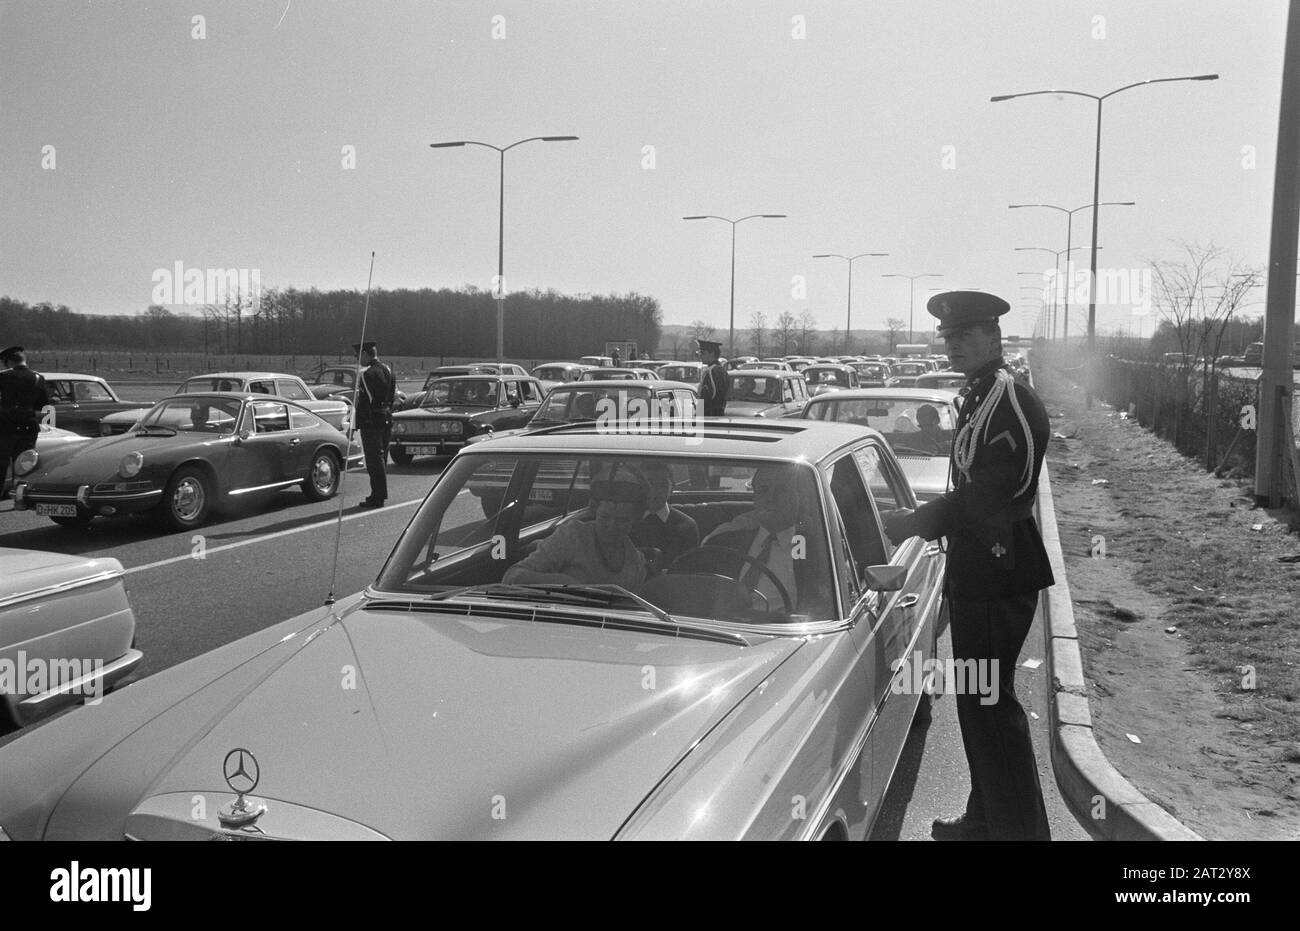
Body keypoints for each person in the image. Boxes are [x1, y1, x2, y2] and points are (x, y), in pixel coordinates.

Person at [882, 291, 1054, 842]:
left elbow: (990, 495)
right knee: (980, 703)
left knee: (989, 703)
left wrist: (914, 521)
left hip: (999, 570)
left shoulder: (1007, 398)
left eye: (964, 336)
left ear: (993, 337)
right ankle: (987, 820)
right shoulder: (982, 394)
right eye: (948, 337)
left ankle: (1018, 833)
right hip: (982, 568)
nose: (953, 344)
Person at [700, 464, 826, 615]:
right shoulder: (727, 541)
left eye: (781, 490)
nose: (771, 498)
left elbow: (822, 607)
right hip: (722, 629)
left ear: (799, 497)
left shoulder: (814, 548)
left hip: (784, 633)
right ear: (755, 497)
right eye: (763, 490)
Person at [504, 466, 649, 588]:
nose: (611, 526)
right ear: (594, 511)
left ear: (634, 520)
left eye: (622, 520)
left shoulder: (635, 563)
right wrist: (563, 583)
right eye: (605, 517)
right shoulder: (572, 536)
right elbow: (513, 576)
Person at [631, 460, 699, 570]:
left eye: (663, 484)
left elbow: (689, 571)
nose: (656, 491)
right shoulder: (625, 520)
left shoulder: (686, 526)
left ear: (672, 487)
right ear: (639, 486)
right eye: (650, 483)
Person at [0, 346, 51, 494]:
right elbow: (42, 404)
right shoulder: (38, 378)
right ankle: (20, 494)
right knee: (24, 463)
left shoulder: (5, 377)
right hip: (28, 425)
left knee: (2, 463)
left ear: (8, 361)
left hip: (6, 425)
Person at [353, 341, 396, 509]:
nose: (358, 359)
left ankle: (377, 496)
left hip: (371, 421)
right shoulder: (389, 370)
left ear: (365, 353)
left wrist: (355, 425)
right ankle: (379, 494)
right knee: (382, 458)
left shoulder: (367, 374)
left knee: (373, 460)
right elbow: (391, 397)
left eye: (358, 356)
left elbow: (363, 403)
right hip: (386, 417)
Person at [697, 339, 728, 416]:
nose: (700, 355)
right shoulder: (721, 370)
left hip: (709, 417)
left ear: (712, 353)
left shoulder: (712, 371)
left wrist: (698, 414)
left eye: (703, 353)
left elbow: (705, 398)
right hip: (719, 415)